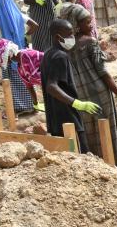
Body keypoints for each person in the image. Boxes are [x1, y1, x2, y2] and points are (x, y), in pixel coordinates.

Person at [60, 3, 117, 163]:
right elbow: (103, 72)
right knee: (108, 131)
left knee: (89, 134)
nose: (91, 25)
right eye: (87, 22)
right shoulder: (90, 42)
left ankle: (96, 164)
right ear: (76, 25)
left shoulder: (64, 46)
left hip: (80, 97)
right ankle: (114, 165)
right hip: (100, 94)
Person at [40, 17, 102, 147]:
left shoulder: (48, 54)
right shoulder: (60, 57)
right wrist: (78, 104)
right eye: (69, 35)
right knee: (81, 154)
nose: (72, 37)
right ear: (58, 37)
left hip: (55, 121)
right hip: (68, 118)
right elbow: (51, 86)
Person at [0, 0, 39, 114]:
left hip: (7, 55)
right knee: (25, 76)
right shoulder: (19, 15)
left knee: (10, 80)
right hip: (21, 52)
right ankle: (31, 105)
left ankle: (17, 107)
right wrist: (24, 35)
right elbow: (35, 25)